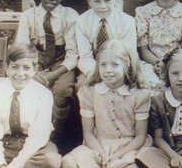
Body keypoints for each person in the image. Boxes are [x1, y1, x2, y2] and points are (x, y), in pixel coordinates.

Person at [62, 40, 152, 168]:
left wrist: (117, 156)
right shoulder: (89, 92)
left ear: (126, 65)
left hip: (129, 148)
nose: (108, 70)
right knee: (68, 162)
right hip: (98, 146)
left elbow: (140, 136)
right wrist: (103, 155)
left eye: (115, 64)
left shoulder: (138, 94)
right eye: (103, 65)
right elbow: (88, 134)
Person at [15, 0, 78, 142]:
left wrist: (53, 74)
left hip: (62, 63)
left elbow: (73, 54)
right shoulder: (28, 17)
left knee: (63, 91)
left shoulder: (70, 16)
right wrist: (34, 72)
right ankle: (31, 133)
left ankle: (54, 136)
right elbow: (22, 49)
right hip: (36, 61)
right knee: (30, 87)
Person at [0, 43, 62, 168]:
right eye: (14, 67)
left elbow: (39, 136)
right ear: (6, 68)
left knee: (51, 160)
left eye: (26, 68)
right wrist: (0, 165)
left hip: (33, 148)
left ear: (35, 69)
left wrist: (15, 165)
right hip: (3, 144)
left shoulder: (43, 95)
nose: (20, 74)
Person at [76, 0, 137, 82]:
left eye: (107, 1)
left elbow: (128, 54)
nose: (103, 6)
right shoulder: (82, 21)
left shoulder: (127, 21)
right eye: (97, 1)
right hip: (93, 68)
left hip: (120, 68)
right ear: (89, 1)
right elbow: (85, 55)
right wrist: (96, 73)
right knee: (82, 86)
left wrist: (113, 72)